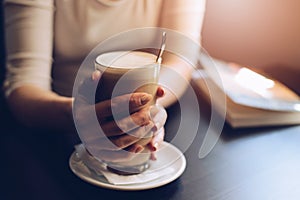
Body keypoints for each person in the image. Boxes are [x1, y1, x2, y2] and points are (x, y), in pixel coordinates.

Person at [3, 0, 206, 162]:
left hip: (148, 126)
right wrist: (76, 115)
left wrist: (143, 112)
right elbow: (24, 87)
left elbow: (180, 60)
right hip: (54, 132)